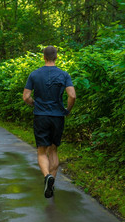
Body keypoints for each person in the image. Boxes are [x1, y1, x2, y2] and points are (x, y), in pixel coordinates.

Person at [22, 46, 76, 198]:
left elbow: (26, 97)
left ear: (44, 57)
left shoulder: (34, 74)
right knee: (53, 150)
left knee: (41, 151)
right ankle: (51, 186)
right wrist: (67, 110)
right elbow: (72, 95)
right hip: (57, 116)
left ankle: (47, 177)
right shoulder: (64, 74)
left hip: (41, 116)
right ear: (56, 57)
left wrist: (34, 104)